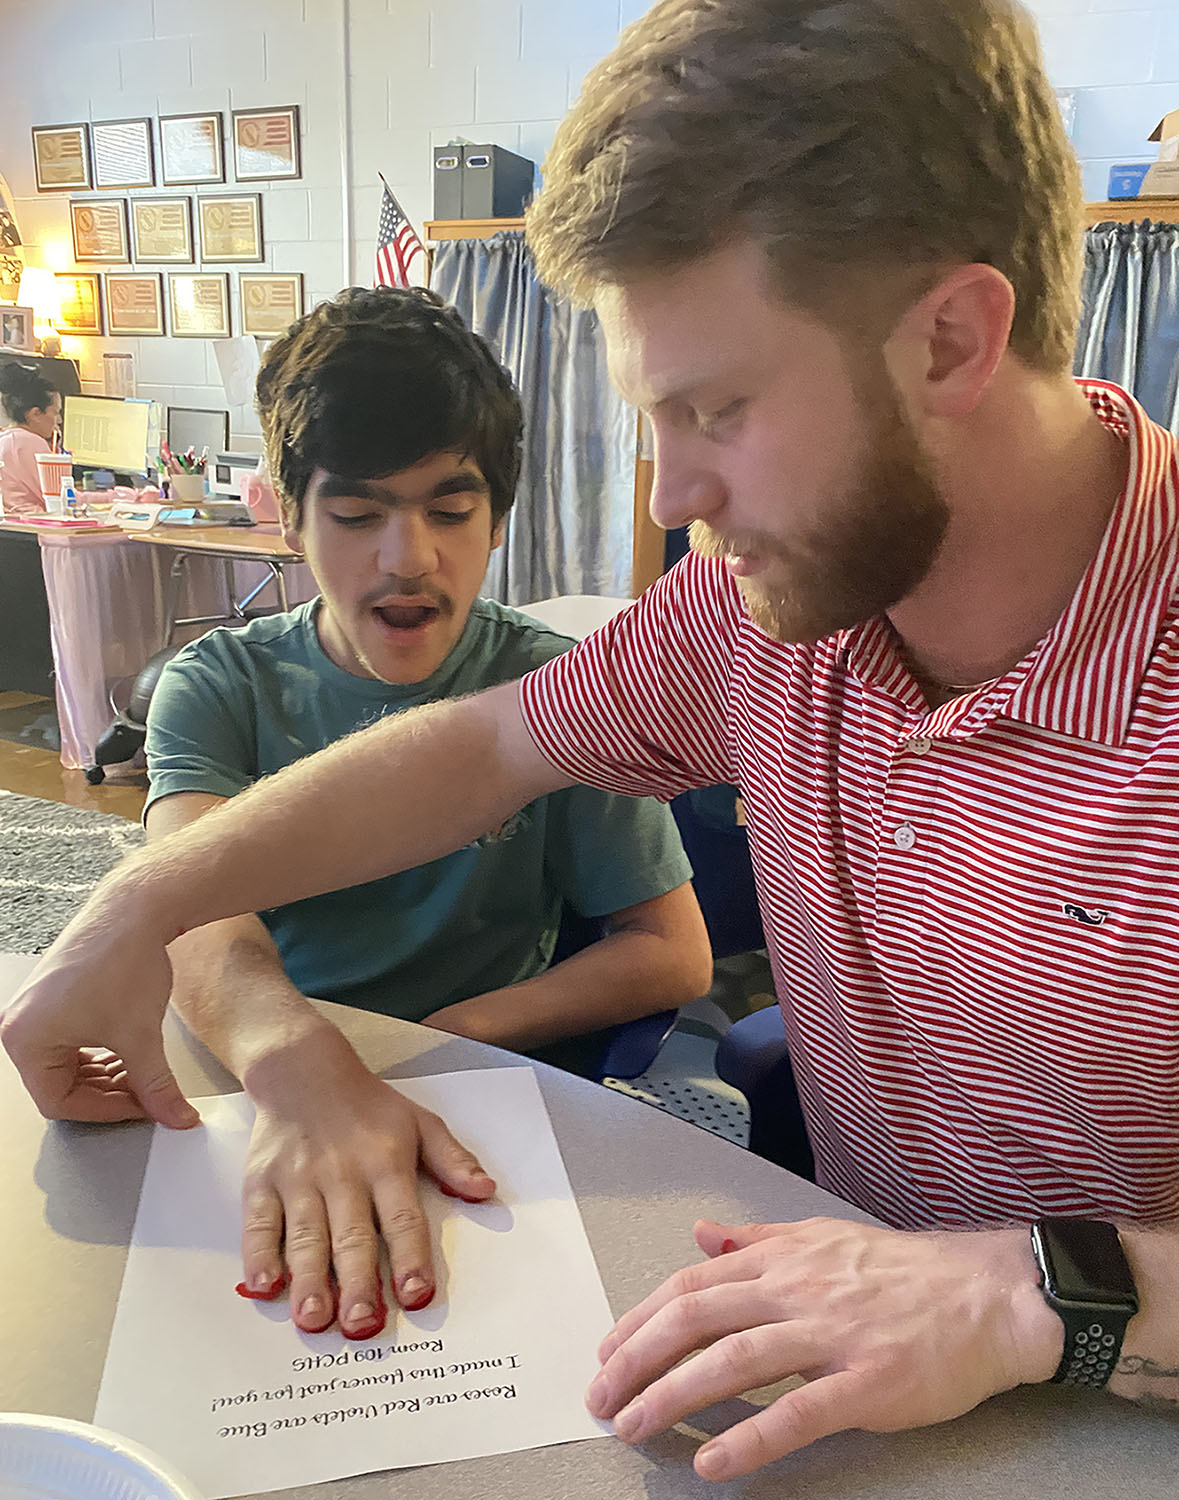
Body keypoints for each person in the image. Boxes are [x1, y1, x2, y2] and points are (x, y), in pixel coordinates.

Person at [4, 0, 1179, 1474]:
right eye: (649, 414)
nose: (672, 493)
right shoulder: (760, 611)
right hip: (849, 1382)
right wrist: (139, 898)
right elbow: (482, 749)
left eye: (718, 407)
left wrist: (1027, 1290)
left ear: (949, 336)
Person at [142, 284, 710, 1339]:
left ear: (498, 514)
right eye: (357, 515)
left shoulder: (555, 690)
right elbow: (185, 914)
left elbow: (671, 955)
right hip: (273, 1064)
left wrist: (447, 1034)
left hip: (471, 1082)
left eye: (450, 511)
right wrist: (309, 1067)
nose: (408, 558)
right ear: (288, 512)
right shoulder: (219, 683)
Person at [0, 361, 58, 515]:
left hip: (11, 530)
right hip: (33, 527)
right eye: (55, 412)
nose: (58, 420)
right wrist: (121, 495)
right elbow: (61, 498)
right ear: (35, 414)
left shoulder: (5, 439)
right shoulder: (29, 442)